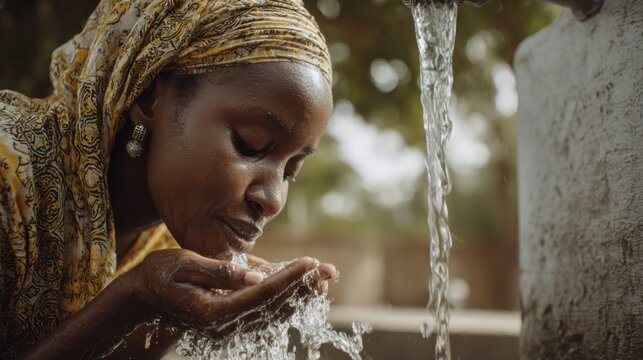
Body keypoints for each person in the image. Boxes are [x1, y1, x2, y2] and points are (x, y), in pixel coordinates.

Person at [0, 0, 337, 358]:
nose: (272, 200)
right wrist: (129, 303)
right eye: (250, 145)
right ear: (148, 96)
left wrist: (165, 315)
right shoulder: (10, 179)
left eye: (290, 172)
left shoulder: (164, 240)